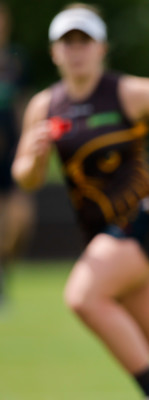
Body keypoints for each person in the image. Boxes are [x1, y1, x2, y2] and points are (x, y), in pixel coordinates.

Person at [11, 4, 149, 400]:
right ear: (54, 51)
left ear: (102, 47)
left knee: (82, 296)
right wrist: (35, 158)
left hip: (144, 220)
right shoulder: (44, 105)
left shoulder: (128, 91)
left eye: (84, 41)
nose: (76, 50)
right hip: (103, 234)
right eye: (66, 42)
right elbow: (27, 177)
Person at [0, 1, 34, 308]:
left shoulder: (14, 63)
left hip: (10, 156)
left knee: (19, 220)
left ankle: (3, 275)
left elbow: (23, 106)